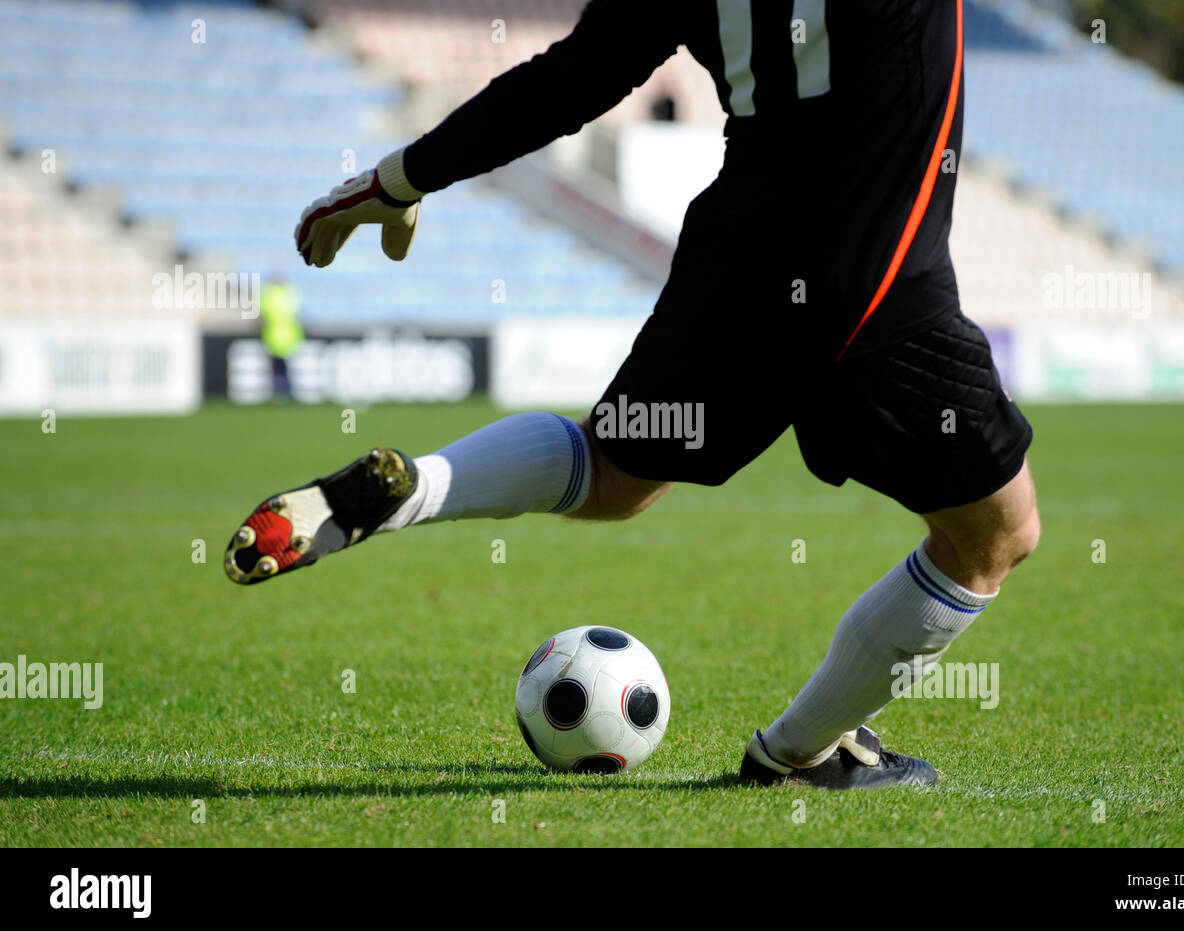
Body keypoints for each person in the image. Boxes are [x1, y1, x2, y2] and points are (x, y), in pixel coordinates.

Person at [225, 0, 1039, 789]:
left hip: (742, 254)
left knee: (611, 476)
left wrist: (402, 179)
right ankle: (798, 754)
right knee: (992, 535)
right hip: (876, 280)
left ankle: (413, 488)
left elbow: (575, 77)